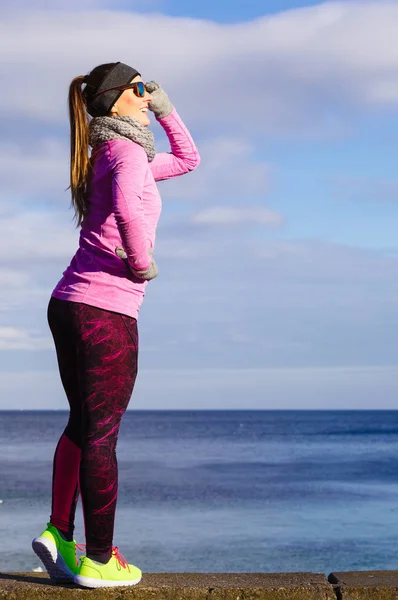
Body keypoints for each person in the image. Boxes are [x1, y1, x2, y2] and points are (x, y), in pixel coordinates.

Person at [31, 61, 200, 589]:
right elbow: (128, 205)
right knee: (102, 434)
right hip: (104, 310)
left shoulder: (114, 152)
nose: (146, 95)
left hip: (70, 303)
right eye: (138, 89)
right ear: (113, 100)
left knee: (83, 424)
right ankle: (101, 560)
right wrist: (140, 260)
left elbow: (190, 159)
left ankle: (60, 533)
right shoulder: (127, 154)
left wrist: (168, 109)